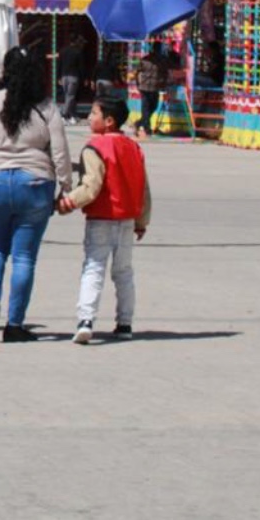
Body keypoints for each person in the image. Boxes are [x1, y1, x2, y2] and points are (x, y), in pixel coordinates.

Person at [0, 46, 72, 342]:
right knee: (24, 257)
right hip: (35, 183)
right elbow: (60, 151)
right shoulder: (46, 107)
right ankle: (15, 324)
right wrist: (66, 187)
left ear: (5, 70)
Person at [58, 97, 152, 345]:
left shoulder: (95, 147)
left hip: (101, 218)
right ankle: (125, 323)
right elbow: (143, 188)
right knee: (123, 272)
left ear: (108, 121)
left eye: (93, 113)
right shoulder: (134, 148)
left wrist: (68, 202)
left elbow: (91, 186)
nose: (89, 117)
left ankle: (85, 320)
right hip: (127, 219)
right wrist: (142, 220)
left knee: (94, 268)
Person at [133, 42, 172, 138]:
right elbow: (137, 72)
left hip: (152, 87)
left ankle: (140, 122)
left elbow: (165, 73)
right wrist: (138, 83)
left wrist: (164, 83)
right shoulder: (147, 60)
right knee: (146, 108)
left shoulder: (159, 60)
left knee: (152, 107)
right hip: (147, 87)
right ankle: (147, 128)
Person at [57, 35, 86, 122]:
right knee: (70, 96)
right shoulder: (78, 52)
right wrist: (84, 78)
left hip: (64, 76)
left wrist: (58, 77)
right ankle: (64, 114)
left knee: (68, 96)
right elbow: (81, 67)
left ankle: (72, 115)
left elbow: (59, 65)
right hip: (73, 76)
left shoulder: (62, 51)